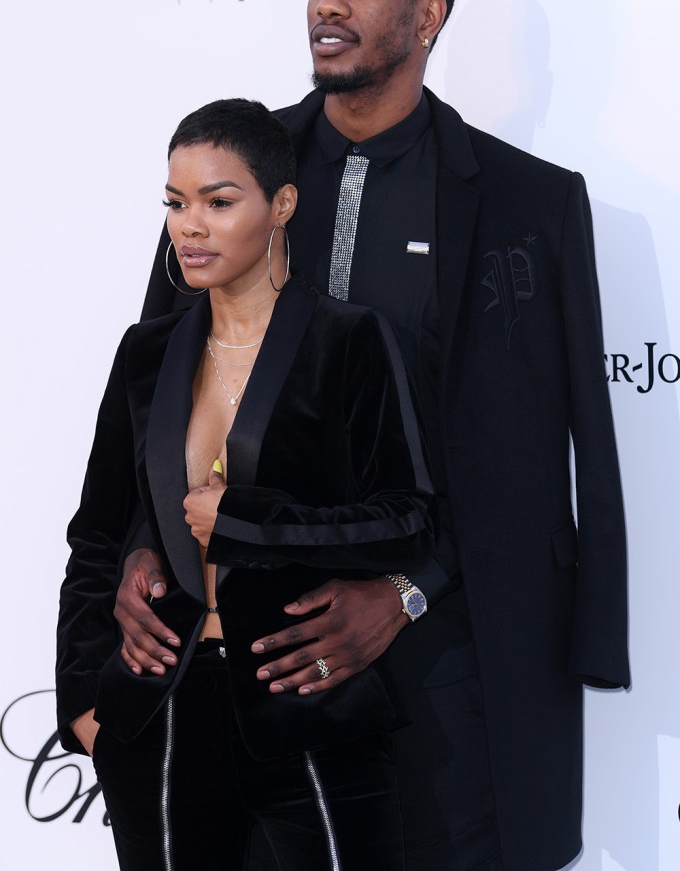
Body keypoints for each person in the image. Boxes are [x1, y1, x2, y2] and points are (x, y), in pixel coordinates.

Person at [116, 0, 630, 871]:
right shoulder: (232, 173)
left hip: (456, 648)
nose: (327, 2)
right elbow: (158, 391)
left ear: (427, 16)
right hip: (259, 649)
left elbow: (571, 440)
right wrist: (142, 550)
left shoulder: (530, 201)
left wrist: (408, 589)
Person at [55, 98, 437, 871]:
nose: (189, 225)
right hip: (161, 715)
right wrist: (82, 703)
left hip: (309, 708)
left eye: (218, 201)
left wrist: (251, 523)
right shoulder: (147, 352)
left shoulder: (348, 340)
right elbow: (96, 534)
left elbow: (407, 519)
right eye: (175, 202)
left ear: (281, 205)